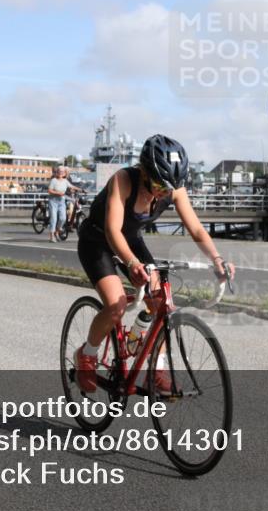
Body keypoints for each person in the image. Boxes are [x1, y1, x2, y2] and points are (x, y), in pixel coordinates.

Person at [74, 134, 234, 393]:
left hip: (132, 240)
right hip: (98, 240)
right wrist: (133, 263)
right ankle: (87, 354)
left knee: (160, 303)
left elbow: (195, 229)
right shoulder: (123, 180)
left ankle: (155, 367)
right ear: (145, 171)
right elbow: (113, 230)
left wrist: (217, 259)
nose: (163, 191)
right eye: (159, 184)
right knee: (116, 305)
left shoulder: (173, 188)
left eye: (169, 187)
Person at [47, 166, 81, 242]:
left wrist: (81, 189)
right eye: (59, 172)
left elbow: (71, 186)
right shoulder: (54, 180)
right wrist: (58, 193)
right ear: (57, 172)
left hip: (61, 202)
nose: (60, 173)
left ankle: (57, 231)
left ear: (64, 173)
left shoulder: (65, 181)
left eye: (62, 172)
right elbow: (49, 191)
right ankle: (52, 236)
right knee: (54, 219)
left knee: (63, 218)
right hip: (53, 201)